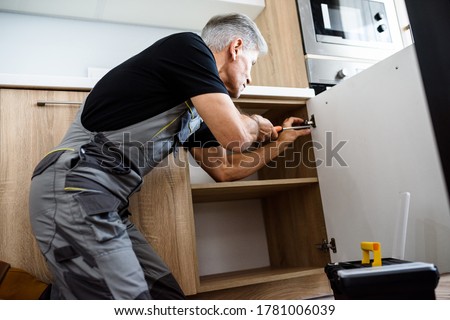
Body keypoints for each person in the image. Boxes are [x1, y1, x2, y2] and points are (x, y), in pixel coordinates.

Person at [29, 13, 311, 300]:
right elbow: (236, 136)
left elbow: (225, 169)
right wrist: (255, 122)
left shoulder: (197, 110)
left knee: (165, 295)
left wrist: (282, 142)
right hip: (73, 186)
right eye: (252, 64)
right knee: (128, 301)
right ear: (235, 47)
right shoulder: (188, 47)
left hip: (105, 202)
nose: (250, 77)